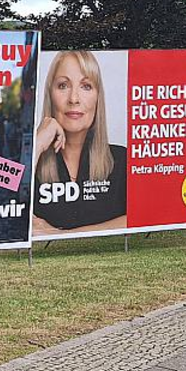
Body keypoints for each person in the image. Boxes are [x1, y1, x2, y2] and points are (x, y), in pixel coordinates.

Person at [32, 50, 127, 234]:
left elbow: (146, 218)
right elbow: (1, 212)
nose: (74, 99)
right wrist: (36, 145)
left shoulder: (122, 160)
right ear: (50, 94)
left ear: (98, 97)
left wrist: (61, 235)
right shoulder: (31, 164)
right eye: (63, 86)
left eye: (86, 86)